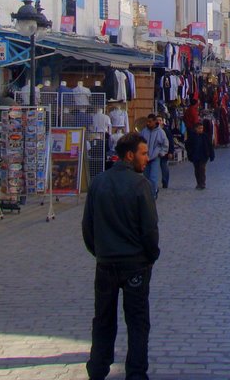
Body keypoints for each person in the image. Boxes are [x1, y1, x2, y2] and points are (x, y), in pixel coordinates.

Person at [82, 132, 160, 380]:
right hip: (135, 265)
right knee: (137, 321)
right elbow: (149, 229)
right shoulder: (141, 186)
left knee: (103, 319)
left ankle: (97, 368)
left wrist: (101, 251)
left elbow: (88, 226)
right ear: (130, 155)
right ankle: (136, 373)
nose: (147, 159)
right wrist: (151, 255)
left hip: (105, 264)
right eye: (144, 153)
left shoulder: (98, 182)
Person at [139, 114, 169, 200]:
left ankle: (152, 194)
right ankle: (148, 193)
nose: (148, 123)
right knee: (146, 177)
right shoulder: (144, 131)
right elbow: (139, 142)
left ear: (155, 122)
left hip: (155, 157)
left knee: (153, 177)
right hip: (145, 157)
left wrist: (162, 153)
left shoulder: (160, 132)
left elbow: (165, 144)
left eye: (150, 122)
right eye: (147, 121)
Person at [185, 119, 216, 189]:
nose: (201, 130)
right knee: (197, 170)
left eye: (202, 128)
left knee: (202, 169)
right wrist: (190, 153)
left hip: (203, 156)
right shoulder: (192, 137)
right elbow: (188, 145)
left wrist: (211, 155)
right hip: (195, 156)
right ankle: (198, 182)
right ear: (195, 129)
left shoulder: (205, 136)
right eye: (199, 128)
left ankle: (202, 183)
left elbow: (209, 146)